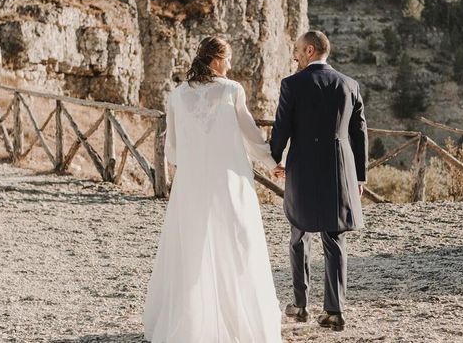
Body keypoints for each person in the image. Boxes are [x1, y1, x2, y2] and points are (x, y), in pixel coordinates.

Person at [143, 37, 282, 343]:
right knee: (236, 244)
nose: (230, 65)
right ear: (217, 59)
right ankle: (239, 323)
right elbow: (251, 135)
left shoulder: (177, 95)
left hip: (191, 183)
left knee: (192, 248)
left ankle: (191, 324)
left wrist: (193, 162)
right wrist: (272, 162)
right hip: (228, 183)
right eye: (228, 58)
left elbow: (172, 150)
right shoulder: (231, 90)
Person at [270, 30, 368, 332]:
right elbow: (359, 132)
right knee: (335, 240)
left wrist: (275, 159)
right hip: (340, 171)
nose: (295, 55)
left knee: (299, 236)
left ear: (310, 50)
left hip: (302, 170)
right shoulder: (349, 84)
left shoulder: (292, 84)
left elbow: (281, 127)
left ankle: (300, 306)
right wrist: (360, 176)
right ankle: (334, 311)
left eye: (298, 49)